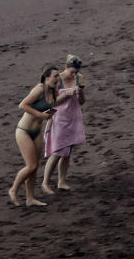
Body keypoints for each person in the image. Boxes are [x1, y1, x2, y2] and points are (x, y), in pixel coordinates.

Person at [8, 65, 78, 206]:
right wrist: (41, 115)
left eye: (58, 76)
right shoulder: (39, 89)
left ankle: (30, 198)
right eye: (55, 76)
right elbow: (23, 105)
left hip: (37, 132)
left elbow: (54, 103)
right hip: (24, 131)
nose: (58, 78)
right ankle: (13, 189)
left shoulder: (53, 92)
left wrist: (67, 94)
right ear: (46, 78)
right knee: (31, 166)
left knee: (35, 167)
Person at [42, 55, 87, 193]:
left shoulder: (80, 78)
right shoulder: (57, 79)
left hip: (73, 117)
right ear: (65, 67)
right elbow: (52, 102)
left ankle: (61, 181)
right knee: (57, 151)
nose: (74, 74)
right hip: (58, 117)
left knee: (68, 150)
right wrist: (67, 93)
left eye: (76, 72)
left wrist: (79, 93)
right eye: (71, 71)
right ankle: (45, 183)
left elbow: (82, 102)